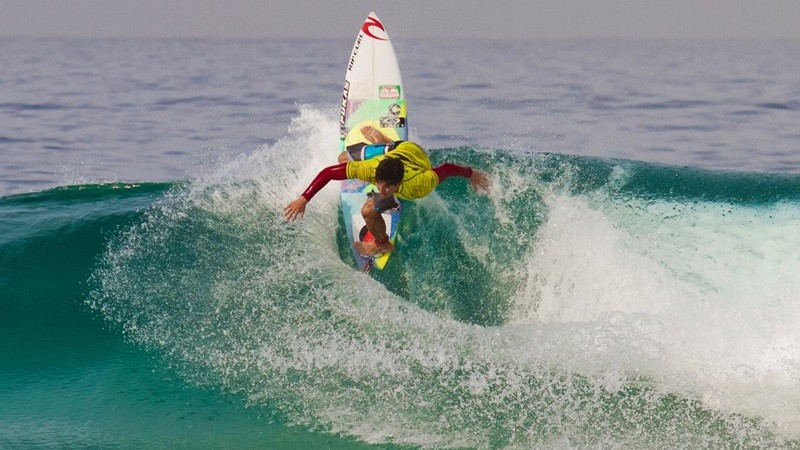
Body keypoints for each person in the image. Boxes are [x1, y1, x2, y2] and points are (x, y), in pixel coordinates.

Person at [284, 126, 490, 256]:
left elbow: (446, 169)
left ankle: (383, 244)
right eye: (379, 184)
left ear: (397, 184)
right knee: (342, 159)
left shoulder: (419, 183)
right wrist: (304, 198)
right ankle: (383, 142)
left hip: (414, 153)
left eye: (386, 187)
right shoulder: (373, 169)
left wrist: (472, 174)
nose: (380, 189)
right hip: (391, 152)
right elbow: (329, 173)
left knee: (368, 211)